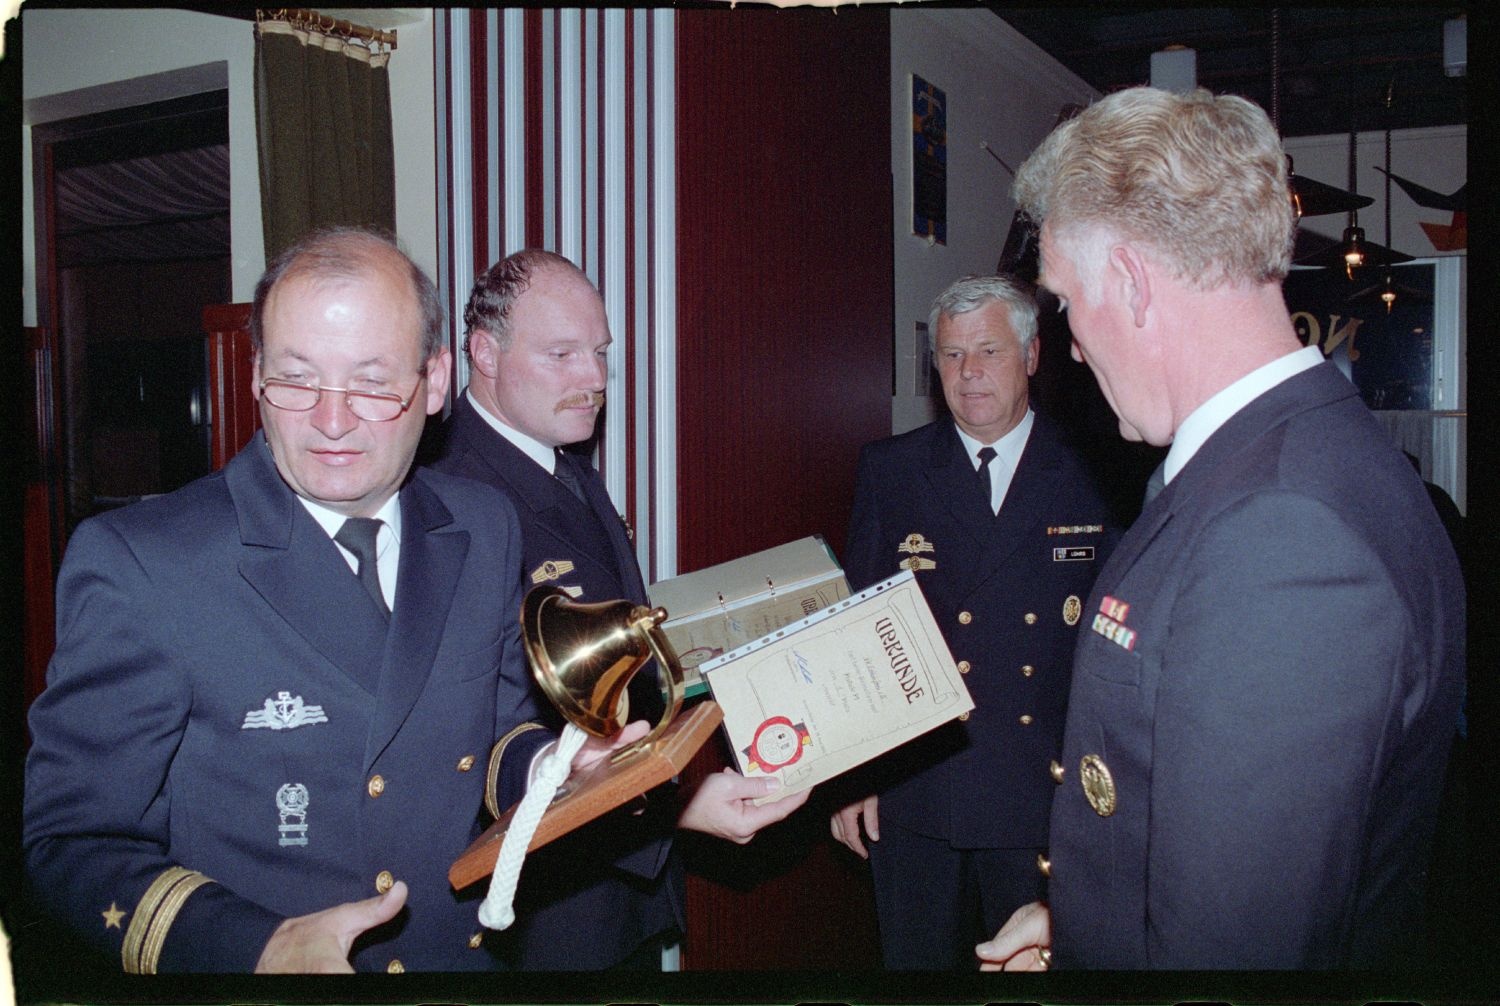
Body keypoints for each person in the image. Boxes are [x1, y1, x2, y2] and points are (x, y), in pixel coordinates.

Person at [21, 227, 630, 974]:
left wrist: (554, 771)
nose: (331, 421)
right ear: (254, 377)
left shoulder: (481, 523)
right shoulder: (144, 563)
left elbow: (500, 729)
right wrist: (253, 945)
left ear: (435, 382)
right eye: (298, 378)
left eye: (373, 382)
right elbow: (70, 844)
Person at [976, 86, 1465, 971]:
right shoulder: (1300, 456)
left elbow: (1237, 952)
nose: (1074, 348)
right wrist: (1085, 927)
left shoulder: (1284, 537)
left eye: (1065, 302)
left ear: (1129, 282)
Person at [426, 249, 808, 969]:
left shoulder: (556, 458)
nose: (595, 380)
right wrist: (679, 809)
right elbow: (483, 732)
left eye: (599, 353)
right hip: (547, 908)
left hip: (614, 888)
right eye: (562, 354)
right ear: (483, 352)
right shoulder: (453, 497)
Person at [830, 274, 1117, 969]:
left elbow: (1112, 649)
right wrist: (850, 775)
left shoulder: (1098, 468)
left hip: (1040, 791)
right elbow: (857, 629)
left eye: (988, 351)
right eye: (953, 356)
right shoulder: (892, 470)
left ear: (1032, 356)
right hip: (917, 786)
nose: (969, 373)